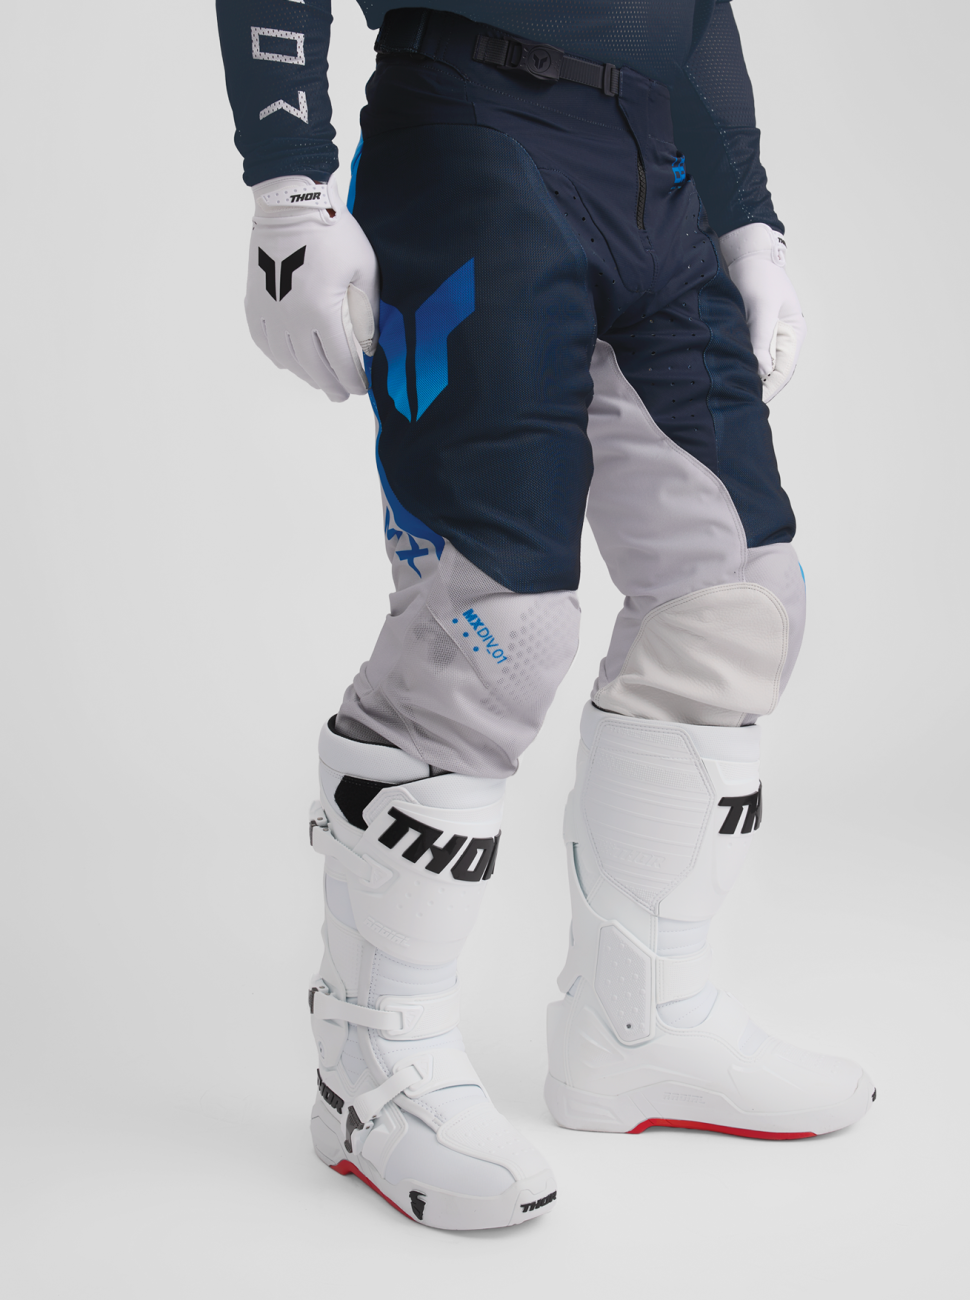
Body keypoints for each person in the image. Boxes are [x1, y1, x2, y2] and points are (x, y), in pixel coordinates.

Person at [215, 1, 875, 1231]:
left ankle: (641, 1021)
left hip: (652, 168)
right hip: (469, 137)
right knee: (490, 623)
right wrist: (288, 190)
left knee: (734, 600)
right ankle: (372, 1066)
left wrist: (745, 218)